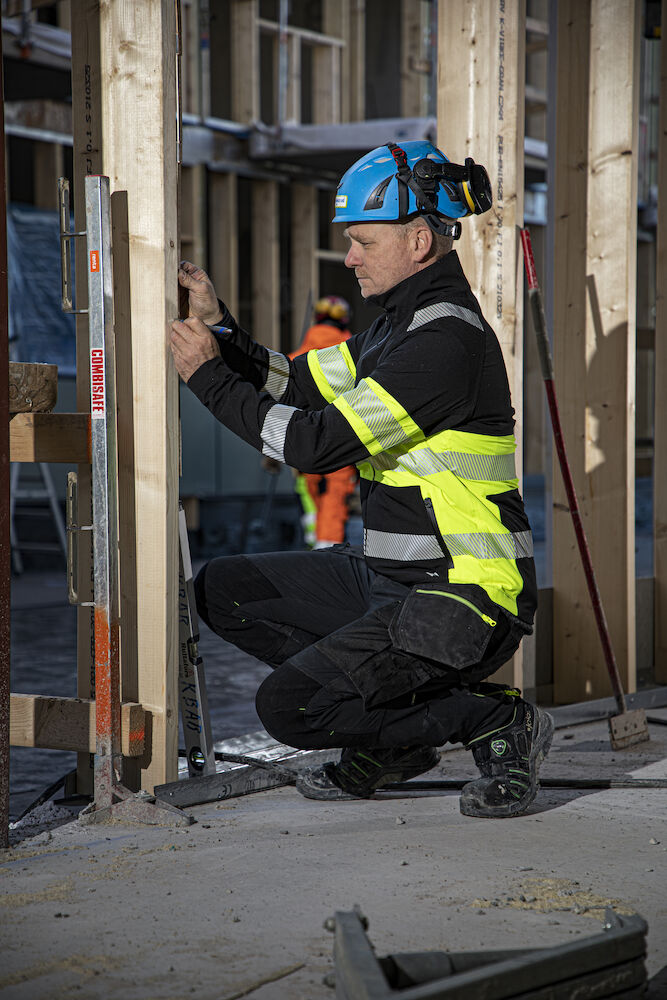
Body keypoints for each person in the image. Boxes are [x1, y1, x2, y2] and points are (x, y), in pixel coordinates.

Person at [170, 140, 553, 818]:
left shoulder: (443, 342)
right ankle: (396, 736)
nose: (348, 257)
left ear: (417, 241)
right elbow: (295, 384)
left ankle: (492, 720)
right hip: (394, 581)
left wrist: (206, 377)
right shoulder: (392, 331)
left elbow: (314, 444)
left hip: (466, 596)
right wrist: (220, 327)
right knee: (223, 591)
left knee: (291, 707)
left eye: (362, 242)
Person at [287, 296, 358, 549]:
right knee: (335, 497)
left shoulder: (295, 359)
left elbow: (280, 403)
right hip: (343, 442)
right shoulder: (356, 355)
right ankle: (326, 551)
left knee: (310, 496)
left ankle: (314, 546)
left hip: (302, 442)